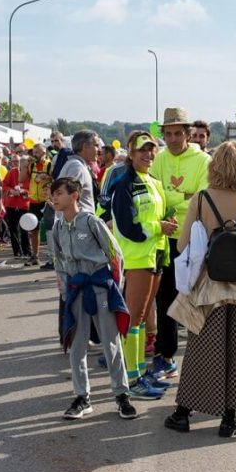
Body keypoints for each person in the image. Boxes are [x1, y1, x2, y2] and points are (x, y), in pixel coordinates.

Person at [164, 141, 236, 438]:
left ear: (214, 167)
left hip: (208, 289)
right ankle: (229, 419)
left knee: (202, 353)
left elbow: (182, 245)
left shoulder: (201, 199)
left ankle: (183, 413)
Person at [48, 177, 137, 420]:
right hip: (76, 291)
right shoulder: (56, 228)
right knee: (77, 346)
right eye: (51, 194)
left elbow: (115, 254)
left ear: (75, 195)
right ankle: (81, 397)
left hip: (100, 288)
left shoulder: (91, 222)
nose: (53, 198)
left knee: (110, 343)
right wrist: (66, 293)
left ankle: (121, 395)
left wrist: (113, 287)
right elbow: (59, 263)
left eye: (58, 193)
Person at [110, 132, 174, 400]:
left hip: (157, 255)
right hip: (137, 257)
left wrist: (167, 220)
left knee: (143, 317)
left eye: (151, 150)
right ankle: (131, 378)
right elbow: (125, 227)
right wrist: (158, 226)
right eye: (142, 150)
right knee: (134, 318)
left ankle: (138, 371)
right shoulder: (123, 183)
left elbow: (161, 213)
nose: (148, 154)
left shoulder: (154, 181)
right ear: (131, 153)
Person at [150, 107, 211, 378]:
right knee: (165, 301)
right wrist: (181, 196)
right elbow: (154, 194)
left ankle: (203, 358)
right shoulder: (158, 159)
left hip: (194, 238)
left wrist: (170, 197)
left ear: (188, 134)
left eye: (178, 133)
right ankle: (165, 355)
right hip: (165, 237)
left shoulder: (202, 160)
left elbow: (201, 198)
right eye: (168, 133)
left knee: (196, 298)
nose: (173, 138)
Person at [59, 130, 101, 214]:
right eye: (96, 145)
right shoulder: (77, 167)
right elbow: (68, 197)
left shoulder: (77, 165)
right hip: (77, 225)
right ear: (85, 147)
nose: (99, 150)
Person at [2, 156, 34, 262]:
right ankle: (17, 252)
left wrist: (24, 191)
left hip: (24, 204)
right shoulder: (13, 172)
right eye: (21, 163)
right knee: (13, 229)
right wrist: (11, 191)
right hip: (11, 204)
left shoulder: (30, 174)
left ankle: (27, 251)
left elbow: (33, 189)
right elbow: (5, 185)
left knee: (25, 229)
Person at [26, 144, 52, 267]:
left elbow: (56, 179)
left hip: (46, 201)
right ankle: (35, 256)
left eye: (39, 152)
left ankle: (52, 256)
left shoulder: (50, 164)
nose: (36, 155)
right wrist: (24, 164)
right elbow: (22, 178)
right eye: (34, 152)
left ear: (44, 152)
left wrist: (46, 177)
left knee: (50, 229)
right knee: (33, 229)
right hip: (33, 201)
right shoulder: (31, 165)